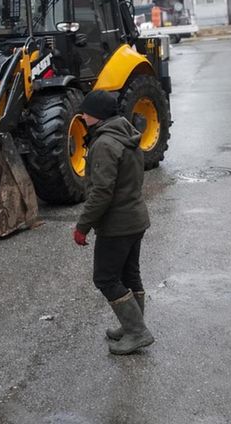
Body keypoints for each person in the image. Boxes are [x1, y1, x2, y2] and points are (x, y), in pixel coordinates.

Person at [74, 90, 154, 355]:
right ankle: (132, 325)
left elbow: (101, 192)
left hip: (118, 224)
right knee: (129, 274)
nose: (82, 116)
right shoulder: (125, 133)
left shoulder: (104, 144)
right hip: (135, 217)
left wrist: (82, 226)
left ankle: (137, 332)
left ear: (96, 115)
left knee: (106, 278)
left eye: (85, 112)